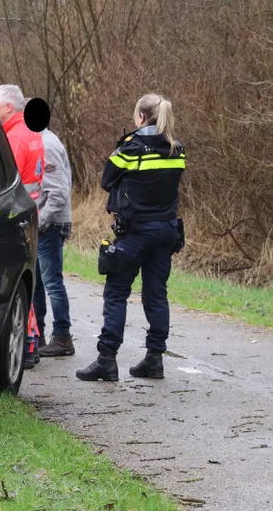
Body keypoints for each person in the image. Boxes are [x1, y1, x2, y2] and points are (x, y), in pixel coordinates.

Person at [76, 93, 186, 382]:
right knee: (156, 294)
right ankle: (154, 359)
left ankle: (107, 360)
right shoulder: (177, 150)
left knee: (116, 293)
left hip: (135, 232)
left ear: (140, 117)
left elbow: (106, 180)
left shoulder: (131, 148)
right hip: (165, 231)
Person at [0, 85, 45, 368]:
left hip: (14, 217)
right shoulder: (32, 132)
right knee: (26, 282)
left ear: (9, 108)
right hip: (29, 213)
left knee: (14, 286)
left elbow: (2, 181)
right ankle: (32, 341)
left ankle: (26, 345)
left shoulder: (12, 138)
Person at [35, 125, 75, 357]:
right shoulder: (38, 142)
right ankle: (37, 333)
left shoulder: (47, 145)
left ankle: (62, 336)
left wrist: (40, 221)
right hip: (44, 222)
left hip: (50, 224)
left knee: (51, 282)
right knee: (38, 283)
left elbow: (58, 192)